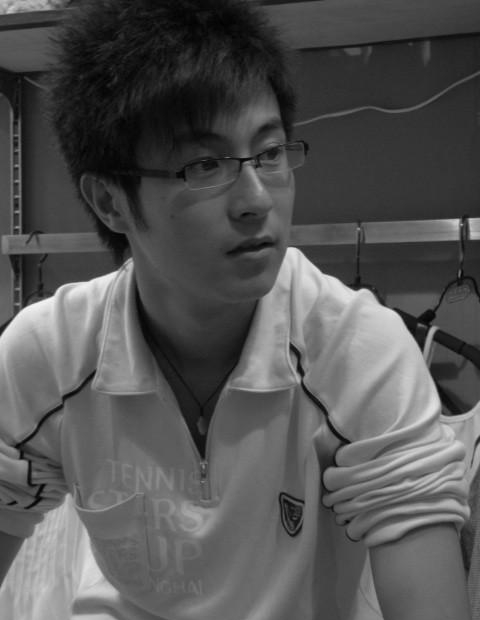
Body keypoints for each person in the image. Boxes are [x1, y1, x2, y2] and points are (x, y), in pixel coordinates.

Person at [0, 1, 473, 618]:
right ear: (111, 202)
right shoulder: (48, 356)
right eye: (205, 165)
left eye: (269, 153)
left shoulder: (358, 350)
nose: (255, 200)